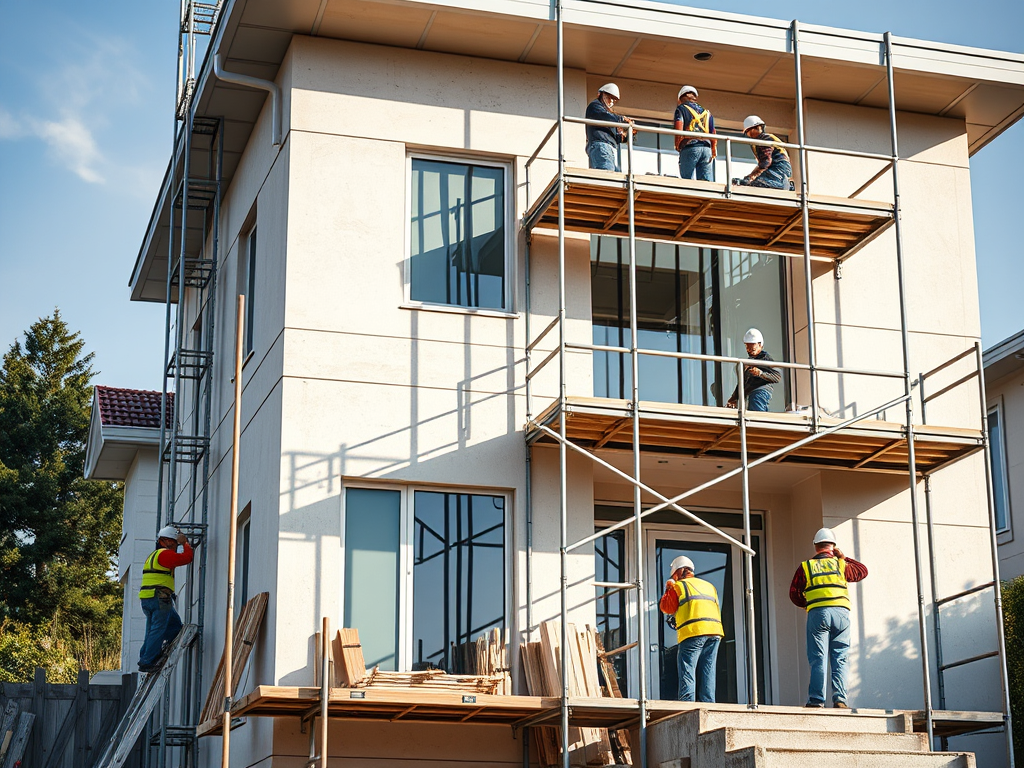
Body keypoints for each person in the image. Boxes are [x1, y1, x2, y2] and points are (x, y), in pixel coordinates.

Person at [789, 528, 868, 708]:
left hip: (819, 614)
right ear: (833, 546)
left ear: (816, 546)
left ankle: (817, 700)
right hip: (841, 615)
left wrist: (806, 604)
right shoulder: (841, 565)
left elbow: (794, 593)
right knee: (840, 657)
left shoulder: (806, 566)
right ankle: (840, 699)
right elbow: (862, 571)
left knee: (819, 657)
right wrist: (843, 557)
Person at [659, 555, 724, 702]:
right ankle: (709, 704)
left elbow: (667, 607)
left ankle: (687, 705)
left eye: (674, 575)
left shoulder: (679, 586)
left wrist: (669, 587)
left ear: (679, 571)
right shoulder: (709, 586)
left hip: (694, 631)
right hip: (715, 632)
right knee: (708, 669)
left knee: (687, 669)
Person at [138, 525, 194, 672]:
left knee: (172, 627)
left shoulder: (153, 555)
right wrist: (185, 543)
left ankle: (148, 655)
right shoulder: (165, 554)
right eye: (174, 542)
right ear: (165, 541)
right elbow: (187, 558)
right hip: (159, 599)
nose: (176, 546)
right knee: (157, 629)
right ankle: (148, 660)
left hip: (149, 599)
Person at [727, 328, 781, 412]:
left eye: (753, 349)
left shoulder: (764, 359)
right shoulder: (749, 362)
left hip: (760, 392)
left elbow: (777, 377)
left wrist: (760, 373)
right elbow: (743, 383)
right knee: (757, 417)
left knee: (756, 417)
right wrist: (734, 398)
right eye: (748, 349)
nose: (750, 351)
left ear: (760, 345)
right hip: (753, 393)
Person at [585, 83, 634, 171]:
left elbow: (617, 137)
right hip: (601, 145)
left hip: (607, 148)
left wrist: (627, 134)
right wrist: (622, 119)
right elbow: (605, 116)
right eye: (609, 98)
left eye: (613, 100)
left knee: (616, 176)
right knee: (608, 176)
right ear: (600, 94)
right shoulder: (595, 106)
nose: (611, 101)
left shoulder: (609, 117)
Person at [673, 85, 717, 181]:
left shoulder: (681, 108)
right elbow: (713, 132)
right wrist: (713, 150)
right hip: (706, 148)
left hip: (690, 146)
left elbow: (678, 127)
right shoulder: (707, 113)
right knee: (706, 183)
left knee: (687, 180)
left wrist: (677, 145)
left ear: (681, 97)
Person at [738, 115, 792, 189]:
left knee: (760, 183)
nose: (749, 135)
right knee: (756, 182)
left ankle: (786, 186)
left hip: (779, 167)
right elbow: (762, 165)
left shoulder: (764, 139)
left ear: (755, 129)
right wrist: (750, 177)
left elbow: (765, 163)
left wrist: (750, 178)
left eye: (748, 132)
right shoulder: (760, 141)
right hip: (778, 168)